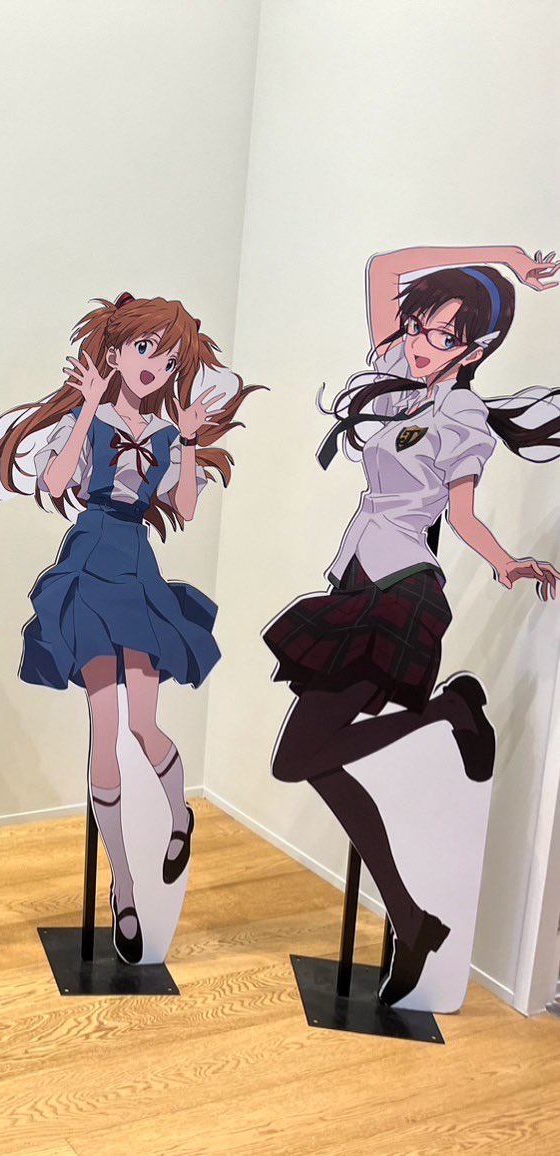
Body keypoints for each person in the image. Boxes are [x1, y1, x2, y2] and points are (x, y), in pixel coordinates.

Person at [265, 245, 560, 1004]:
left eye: (444, 336)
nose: (423, 343)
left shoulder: (462, 415)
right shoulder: (395, 371)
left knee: (298, 758)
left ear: (476, 350)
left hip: (400, 592)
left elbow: (460, 514)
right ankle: (411, 918)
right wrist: (504, 259)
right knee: (312, 760)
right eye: (420, 326)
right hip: (353, 582)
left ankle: (446, 714)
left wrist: (505, 562)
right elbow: (383, 267)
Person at [0, 293, 259, 963]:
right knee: (104, 726)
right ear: (113, 352)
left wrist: (187, 442)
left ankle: (178, 815)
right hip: (89, 564)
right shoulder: (91, 419)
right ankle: (125, 889)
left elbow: (185, 508)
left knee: (144, 723)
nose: (153, 367)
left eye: (166, 361)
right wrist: (86, 407)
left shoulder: (166, 433)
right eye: (143, 350)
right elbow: (57, 482)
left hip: (136, 571)